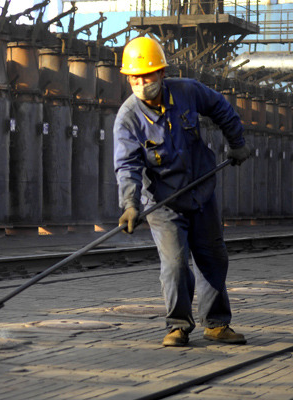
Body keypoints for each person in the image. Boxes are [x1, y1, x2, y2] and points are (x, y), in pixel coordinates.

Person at [113, 36, 251, 347]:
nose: (140, 82)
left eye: (147, 76)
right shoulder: (128, 119)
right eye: (134, 77)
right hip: (164, 202)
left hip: (202, 191)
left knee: (213, 258)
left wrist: (237, 142)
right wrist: (131, 204)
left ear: (162, 74)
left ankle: (216, 324)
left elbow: (221, 107)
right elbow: (127, 166)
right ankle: (178, 325)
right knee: (175, 264)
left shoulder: (187, 91)